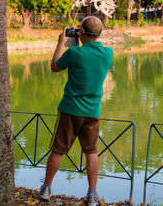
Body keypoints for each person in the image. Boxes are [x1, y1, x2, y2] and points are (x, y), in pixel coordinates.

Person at [39, 16, 113, 206]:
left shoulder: (74, 54)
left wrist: (61, 43)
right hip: (92, 112)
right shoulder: (108, 53)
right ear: (99, 33)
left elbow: (55, 67)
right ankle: (92, 194)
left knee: (58, 149)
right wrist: (80, 38)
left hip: (70, 110)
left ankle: (46, 188)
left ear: (81, 33)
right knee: (91, 151)